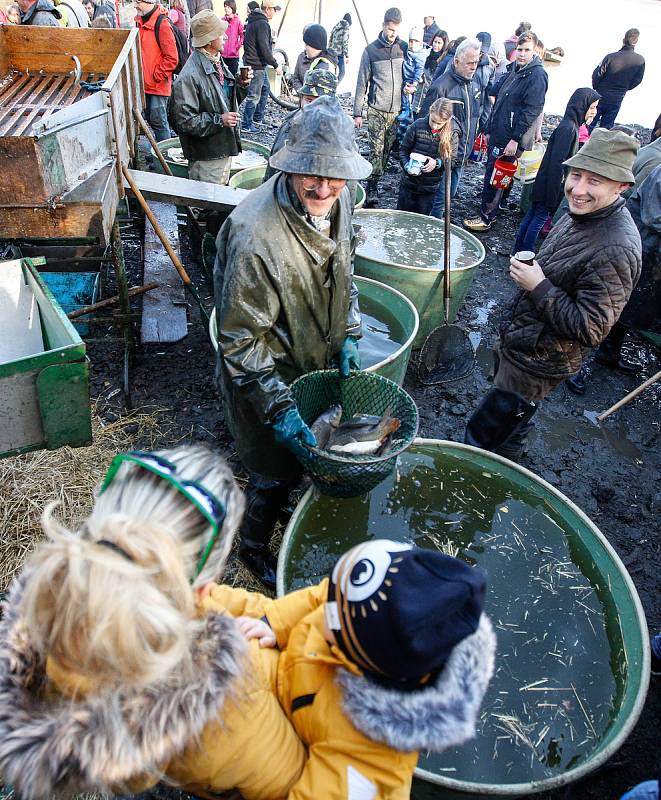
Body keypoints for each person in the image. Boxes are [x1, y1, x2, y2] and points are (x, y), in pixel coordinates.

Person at [0, 445, 309, 800]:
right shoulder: (234, 713)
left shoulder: (50, 615)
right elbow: (293, 785)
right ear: (203, 588)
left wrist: (276, 616)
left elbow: (214, 603)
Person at [214, 96, 371, 587]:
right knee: (271, 472)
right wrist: (279, 408)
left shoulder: (339, 201)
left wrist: (349, 331)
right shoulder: (254, 234)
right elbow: (239, 342)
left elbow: (346, 270)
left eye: (334, 175)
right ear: (290, 164)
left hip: (314, 356)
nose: (323, 187)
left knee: (303, 454)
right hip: (266, 374)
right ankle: (252, 547)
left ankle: (279, 497)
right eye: (310, 173)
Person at [218, 539, 496, 798]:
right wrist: (274, 623)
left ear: (360, 657)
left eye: (332, 611)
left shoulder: (367, 760)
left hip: (287, 736)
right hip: (286, 678)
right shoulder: (353, 610)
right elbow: (323, 594)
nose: (325, 602)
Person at [464, 129, 642, 461]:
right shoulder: (582, 212)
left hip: (539, 360)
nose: (578, 189)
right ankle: (511, 448)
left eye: (595, 181)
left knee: (483, 433)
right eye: (576, 175)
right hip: (525, 341)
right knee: (512, 420)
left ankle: (475, 471)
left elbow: (591, 328)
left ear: (621, 187)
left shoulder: (617, 247)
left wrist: (538, 285)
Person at [566, 162, 661, 394]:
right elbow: (653, 216)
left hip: (654, 258)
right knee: (606, 308)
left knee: (630, 313)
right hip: (637, 248)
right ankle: (572, 365)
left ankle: (609, 353)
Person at [463, 31, 548, 232]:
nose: (521, 54)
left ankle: (486, 217)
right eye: (519, 49)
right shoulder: (515, 70)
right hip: (500, 131)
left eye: (527, 50)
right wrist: (491, 128)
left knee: (496, 174)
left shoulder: (536, 75)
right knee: (501, 173)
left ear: (534, 51)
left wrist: (516, 139)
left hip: (511, 136)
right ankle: (496, 206)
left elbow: (532, 110)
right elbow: (496, 96)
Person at [512, 88, 601, 256]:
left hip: (544, 181)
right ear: (581, 106)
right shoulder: (568, 129)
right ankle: (526, 253)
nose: (594, 112)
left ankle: (517, 251)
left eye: (595, 108)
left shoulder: (569, 126)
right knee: (538, 219)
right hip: (549, 184)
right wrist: (555, 193)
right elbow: (557, 164)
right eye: (591, 107)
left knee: (532, 215)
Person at [172, 11, 250, 186]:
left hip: (221, 149)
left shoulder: (216, 61)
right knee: (205, 208)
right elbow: (185, 122)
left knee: (216, 204)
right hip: (206, 157)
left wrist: (241, 84)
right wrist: (219, 120)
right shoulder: (189, 77)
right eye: (220, 33)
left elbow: (225, 100)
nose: (225, 36)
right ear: (208, 41)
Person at [419, 38, 484, 205]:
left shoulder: (475, 83)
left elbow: (476, 116)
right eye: (470, 63)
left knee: (451, 193)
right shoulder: (441, 87)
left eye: (476, 62)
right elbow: (424, 122)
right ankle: (435, 225)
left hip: (461, 155)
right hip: (443, 155)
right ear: (456, 61)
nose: (474, 66)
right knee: (440, 199)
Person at [353, 7, 406, 205]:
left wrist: (411, 88)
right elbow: (361, 83)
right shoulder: (371, 51)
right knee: (375, 150)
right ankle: (372, 187)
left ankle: (377, 176)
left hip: (396, 111)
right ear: (383, 25)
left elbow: (413, 74)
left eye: (396, 30)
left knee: (386, 150)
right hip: (376, 109)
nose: (393, 33)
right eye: (390, 29)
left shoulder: (403, 49)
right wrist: (357, 113)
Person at [263, 67, 339, 183]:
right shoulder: (290, 121)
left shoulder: (338, 134)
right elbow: (274, 158)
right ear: (301, 99)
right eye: (309, 100)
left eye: (320, 102)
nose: (313, 107)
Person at [397, 97, 458, 215]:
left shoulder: (452, 134)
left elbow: (453, 161)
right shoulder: (417, 125)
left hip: (429, 188)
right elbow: (403, 150)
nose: (434, 126)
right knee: (401, 217)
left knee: (421, 222)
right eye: (433, 121)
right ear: (430, 112)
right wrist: (406, 165)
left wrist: (437, 163)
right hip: (408, 184)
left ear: (447, 120)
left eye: (439, 123)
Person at [135, 0, 178, 142]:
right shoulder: (140, 22)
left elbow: (172, 58)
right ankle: (156, 153)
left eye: (138, 2)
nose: (135, 5)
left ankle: (163, 158)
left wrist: (155, 76)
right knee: (152, 120)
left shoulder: (162, 24)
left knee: (159, 122)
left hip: (157, 85)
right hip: (146, 85)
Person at [590, 29, 645, 131]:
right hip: (618, 96)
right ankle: (601, 145)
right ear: (636, 42)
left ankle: (582, 144)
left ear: (623, 40)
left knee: (590, 122)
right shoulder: (640, 60)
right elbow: (637, 80)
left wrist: (596, 88)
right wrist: (624, 88)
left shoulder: (611, 57)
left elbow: (596, 75)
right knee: (606, 128)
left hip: (600, 94)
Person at [240, 0, 281, 133]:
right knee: (254, 95)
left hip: (253, 62)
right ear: (268, 9)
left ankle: (258, 117)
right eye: (275, 10)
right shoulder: (262, 23)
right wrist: (276, 65)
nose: (275, 13)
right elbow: (264, 48)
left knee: (265, 89)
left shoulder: (253, 20)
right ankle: (246, 124)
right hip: (256, 65)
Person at [396, 26, 426, 138]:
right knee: (404, 97)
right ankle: (405, 110)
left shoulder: (420, 55)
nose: (412, 44)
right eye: (410, 41)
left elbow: (419, 70)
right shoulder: (408, 51)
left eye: (415, 41)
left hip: (412, 81)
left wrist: (415, 82)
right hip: (406, 79)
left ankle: (407, 113)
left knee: (412, 104)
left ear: (420, 42)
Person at [291, 24, 337, 93]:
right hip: (303, 100)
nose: (305, 48)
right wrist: (301, 92)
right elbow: (295, 78)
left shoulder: (325, 65)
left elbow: (320, 95)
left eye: (307, 45)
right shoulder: (301, 57)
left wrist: (306, 96)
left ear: (315, 46)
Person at [221, 0, 243, 76]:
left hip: (233, 56)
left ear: (232, 8)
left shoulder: (238, 21)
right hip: (222, 55)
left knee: (233, 78)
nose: (226, 9)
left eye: (228, 7)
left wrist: (236, 47)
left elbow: (243, 35)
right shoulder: (222, 20)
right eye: (225, 7)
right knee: (222, 78)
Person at [329, 12, 351, 85]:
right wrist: (347, 56)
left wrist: (329, 50)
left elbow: (330, 39)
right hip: (339, 54)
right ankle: (334, 86)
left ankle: (329, 87)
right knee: (342, 72)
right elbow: (345, 42)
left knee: (333, 73)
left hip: (331, 52)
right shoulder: (346, 27)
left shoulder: (336, 26)